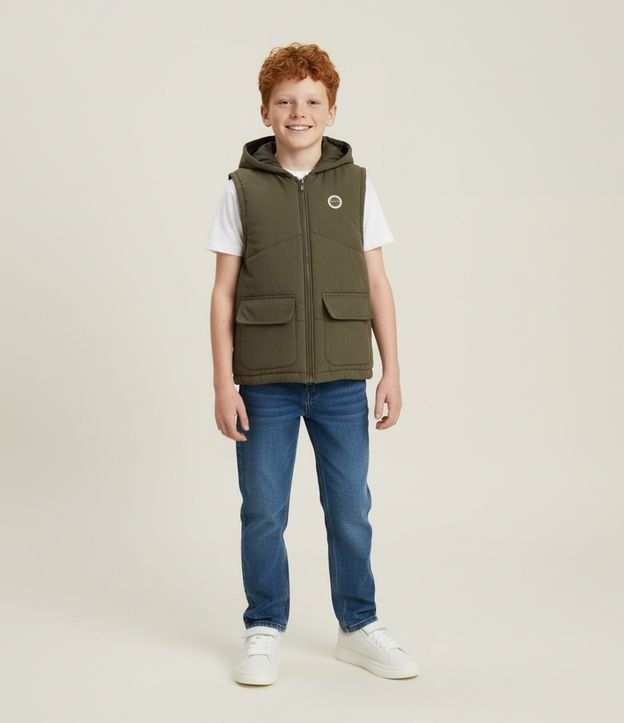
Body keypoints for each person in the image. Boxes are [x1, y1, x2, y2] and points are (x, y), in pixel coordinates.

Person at [205, 42, 419, 685]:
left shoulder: (356, 185)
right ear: (265, 111)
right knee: (263, 511)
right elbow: (222, 292)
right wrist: (223, 383)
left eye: (311, 102)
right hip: (264, 383)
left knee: (350, 508)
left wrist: (392, 370)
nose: (298, 113)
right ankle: (264, 626)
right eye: (285, 102)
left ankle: (359, 626)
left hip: (341, 378)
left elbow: (377, 282)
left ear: (331, 111)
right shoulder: (241, 189)